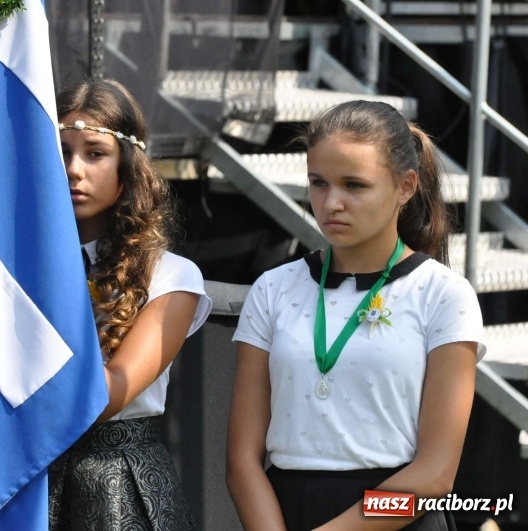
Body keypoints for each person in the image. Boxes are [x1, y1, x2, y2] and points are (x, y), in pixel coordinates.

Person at [226, 100, 486, 530]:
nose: (331, 203)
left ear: (405, 187)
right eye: (318, 183)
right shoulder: (273, 289)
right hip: (283, 513)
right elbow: (241, 459)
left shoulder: (443, 294)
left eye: (355, 185)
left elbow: (436, 476)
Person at [48, 78, 213, 531]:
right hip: (23, 476)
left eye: (95, 153)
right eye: (61, 151)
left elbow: (106, 396)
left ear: (129, 165)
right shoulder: (13, 267)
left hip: (117, 482)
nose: (73, 169)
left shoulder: (172, 275)